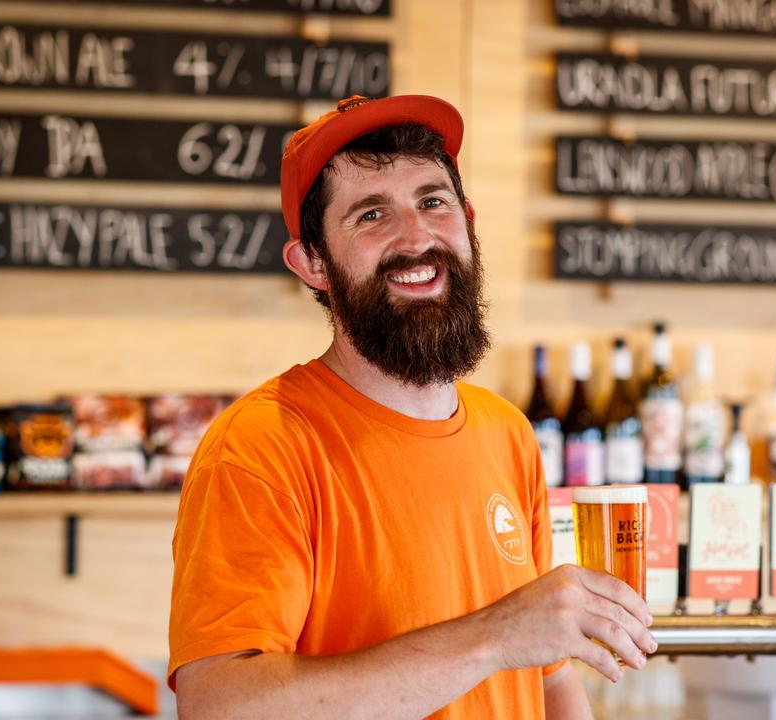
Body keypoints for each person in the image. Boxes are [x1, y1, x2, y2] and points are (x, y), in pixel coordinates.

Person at [168, 94, 656, 719]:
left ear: (468, 221)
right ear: (311, 263)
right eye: (371, 214)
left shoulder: (507, 432)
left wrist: (515, 642)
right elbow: (220, 707)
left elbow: (549, 681)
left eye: (433, 201)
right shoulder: (260, 448)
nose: (417, 236)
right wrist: (493, 638)